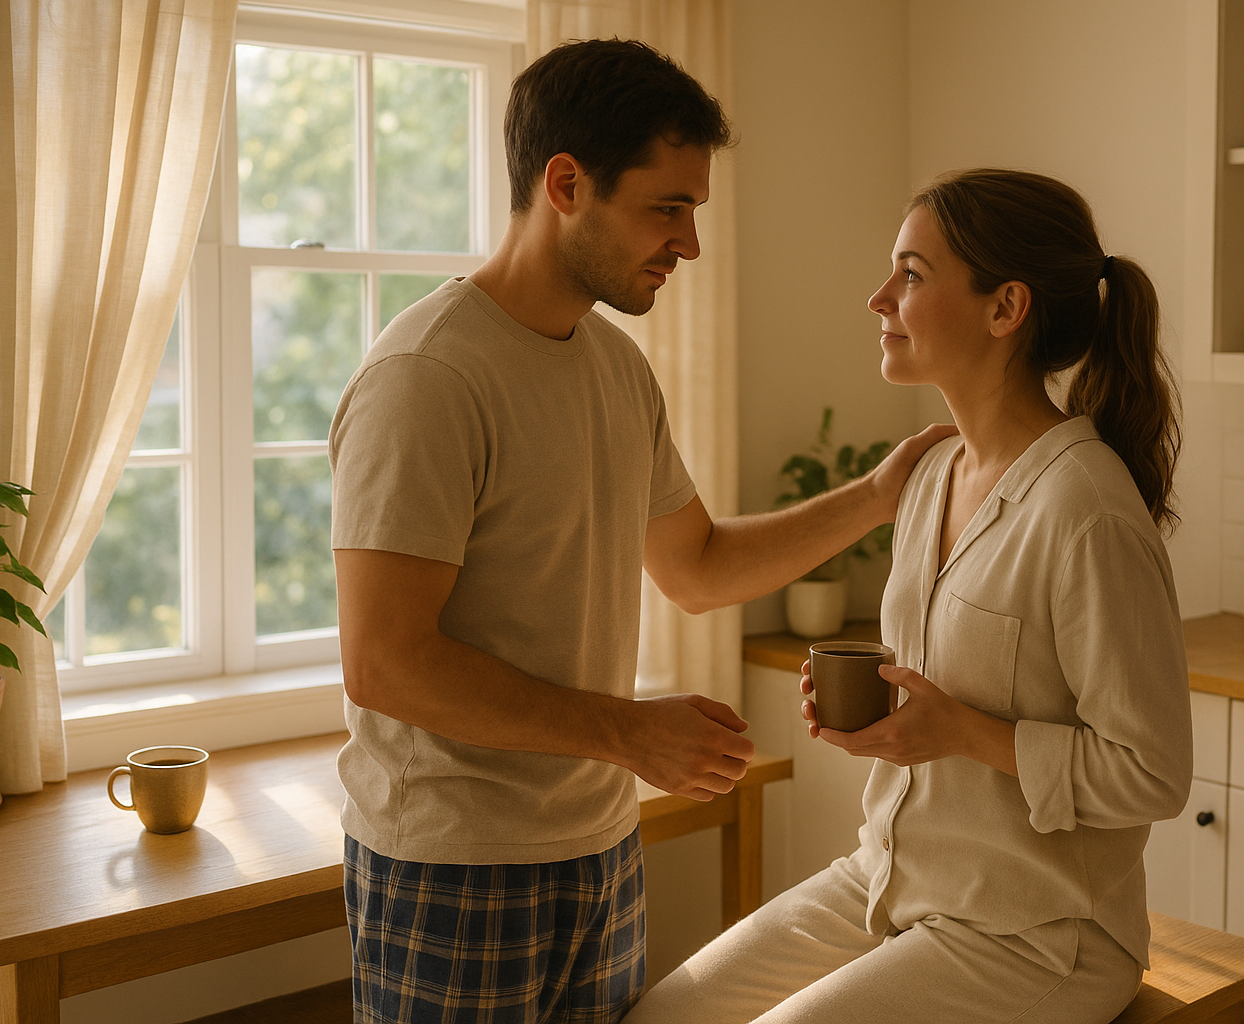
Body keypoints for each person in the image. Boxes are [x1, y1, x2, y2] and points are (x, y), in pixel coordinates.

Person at [328, 39, 953, 1024]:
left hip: (598, 847)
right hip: (452, 865)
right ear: (566, 184)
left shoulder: (616, 371)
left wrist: (877, 494)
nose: (690, 244)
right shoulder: (428, 378)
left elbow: (699, 568)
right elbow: (385, 662)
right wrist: (628, 729)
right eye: (670, 207)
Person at [621, 169, 1194, 1024]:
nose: (878, 296)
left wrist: (964, 733)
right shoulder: (929, 477)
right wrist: (887, 714)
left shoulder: (1086, 510)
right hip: (888, 885)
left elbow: (1153, 774)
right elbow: (957, 677)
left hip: (1035, 935)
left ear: (1007, 308)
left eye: (913, 275)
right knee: (661, 1016)